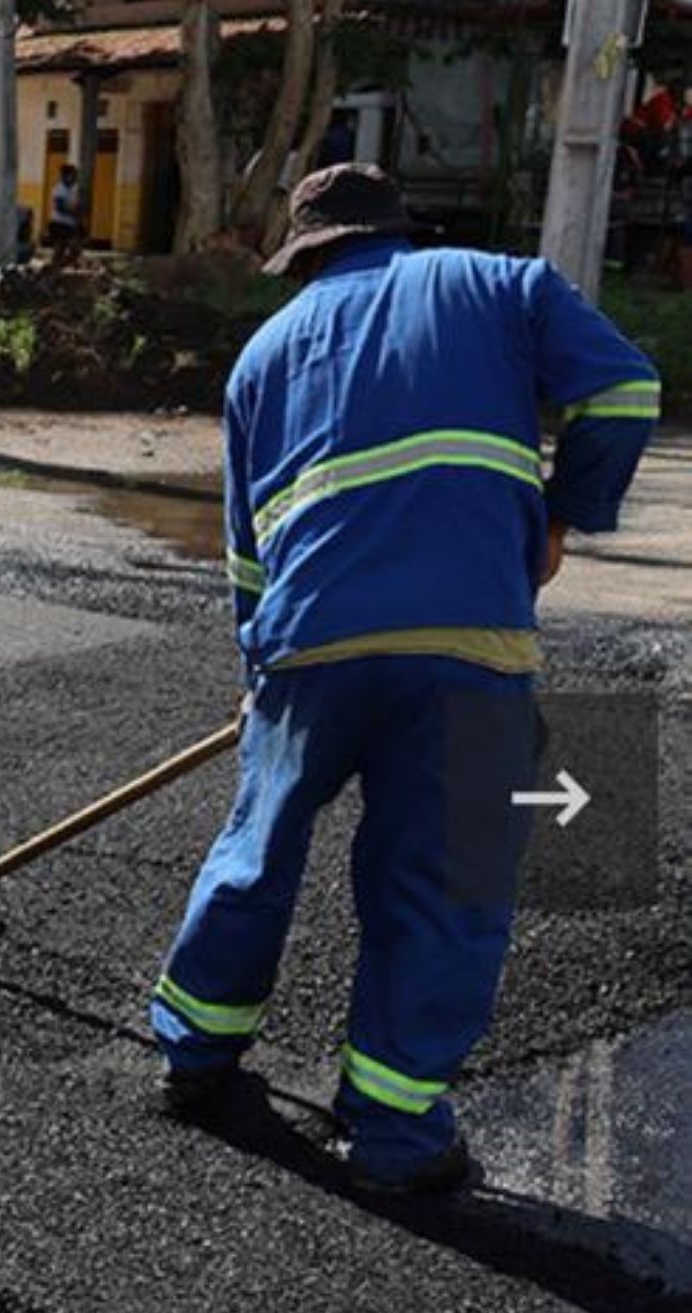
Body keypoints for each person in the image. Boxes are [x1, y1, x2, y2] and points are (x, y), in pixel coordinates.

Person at [150, 164, 660, 1195]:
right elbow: (625, 387)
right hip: (470, 642)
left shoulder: (260, 357)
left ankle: (194, 1054)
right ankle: (393, 1125)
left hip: (309, 642)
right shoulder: (501, 284)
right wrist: (562, 517)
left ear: (306, 256)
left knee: (256, 849)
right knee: (444, 879)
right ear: (399, 231)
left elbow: (249, 554)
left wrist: (263, 668)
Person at [45, 163, 84, 267]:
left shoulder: (71, 189)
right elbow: (60, 207)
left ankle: (55, 269)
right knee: (71, 249)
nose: (75, 178)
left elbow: (74, 205)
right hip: (60, 224)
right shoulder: (60, 189)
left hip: (69, 225)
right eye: (73, 175)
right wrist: (74, 213)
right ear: (66, 176)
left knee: (62, 250)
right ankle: (54, 269)